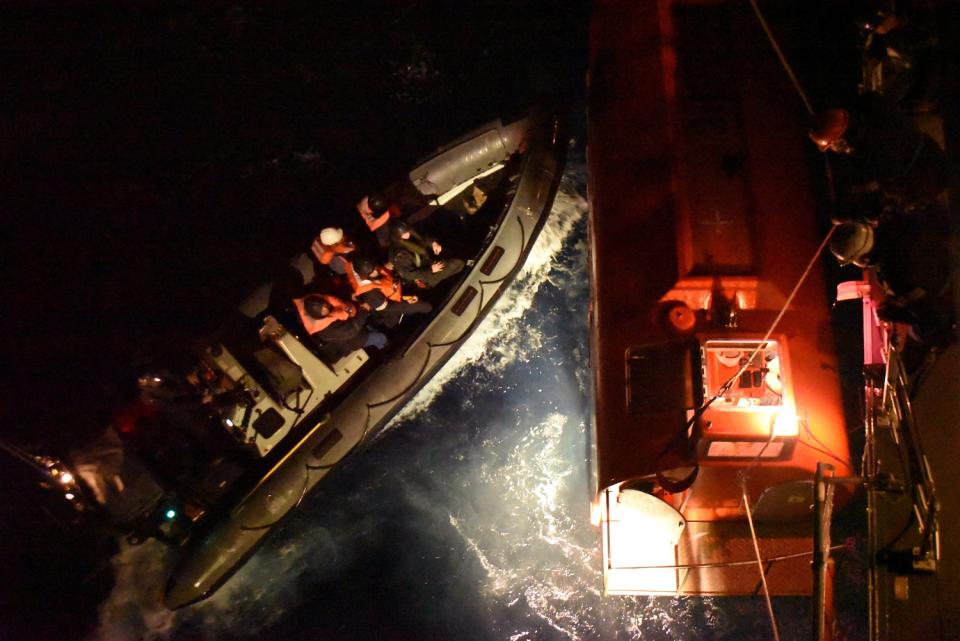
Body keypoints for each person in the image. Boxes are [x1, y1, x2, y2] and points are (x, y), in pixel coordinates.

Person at [830, 217, 954, 347]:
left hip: (947, 285)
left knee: (921, 334)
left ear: (863, 258)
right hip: (950, 257)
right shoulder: (894, 224)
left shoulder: (895, 275)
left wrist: (896, 315)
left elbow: (930, 318)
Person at [809, 91, 946, 207]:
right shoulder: (871, 102)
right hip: (926, 150)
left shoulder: (871, 153)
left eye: (831, 144)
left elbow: (867, 180)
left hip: (915, 178)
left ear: (840, 139)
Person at [292, 294, 387, 361]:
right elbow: (352, 329)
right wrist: (365, 311)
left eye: (325, 305)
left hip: (357, 328)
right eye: (323, 309)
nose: (327, 308)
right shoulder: (328, 330)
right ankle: (386, 355)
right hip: (354, 339)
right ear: (317, 315)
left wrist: (350, 296)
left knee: (374, 328)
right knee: (381, 337)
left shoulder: (324, 309)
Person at [347, 257, 433, 329]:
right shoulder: (370, 294)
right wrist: (407, 301)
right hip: (393, 305)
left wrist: (387, 267)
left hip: (397, 288)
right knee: (426, 306)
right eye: (372, 272)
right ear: (364, 275)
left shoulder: (367, 267)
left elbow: (382, 275)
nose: (375, 271)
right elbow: (388, 307)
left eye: (374, 268)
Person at [388, 222, 464, 289]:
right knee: (457, 262)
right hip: (425, 274)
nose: (408, 233)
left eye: (407, 231)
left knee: (455, 255)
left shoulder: (411, 233)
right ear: (397, 236)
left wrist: (433, 243)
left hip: (429, 259)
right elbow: (409, 274)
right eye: (404, 233)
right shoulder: (398, 254)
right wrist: (430, 270)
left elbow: (423, 237)